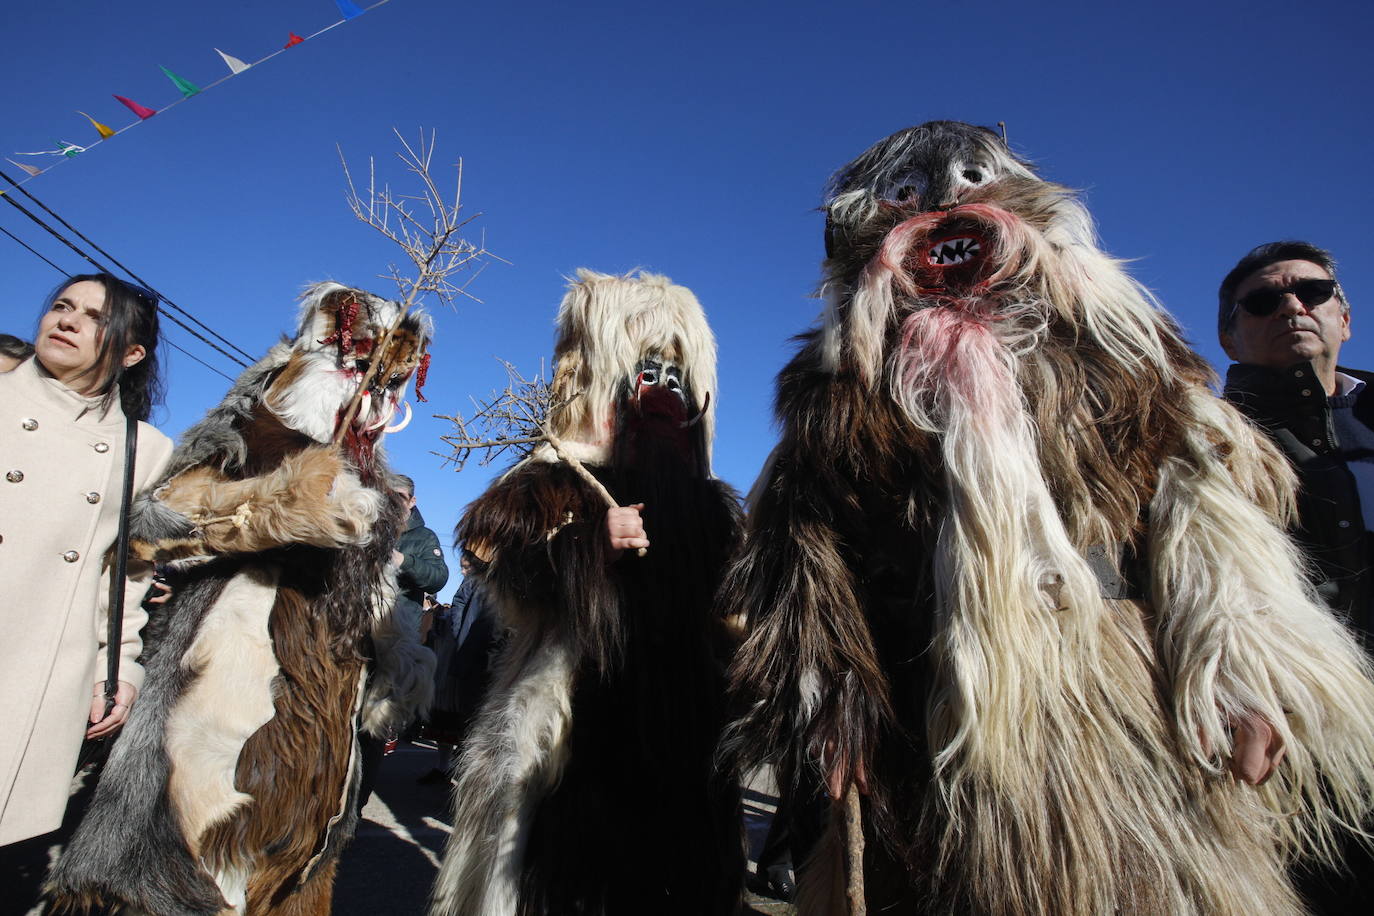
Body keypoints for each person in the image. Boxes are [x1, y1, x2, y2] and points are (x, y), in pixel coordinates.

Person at [721, 122, 1374, 914]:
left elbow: (1203, 518)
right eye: (908, 198)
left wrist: (1238, 666)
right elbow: (803, 560)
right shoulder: (835, 393)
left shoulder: (1123, 363)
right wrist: (825, 699)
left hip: (1123, 711)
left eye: (973, 180)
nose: (949, 202)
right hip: (920, 714)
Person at [433, 270, 745, 916]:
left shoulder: (712, 507)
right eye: (645, 374)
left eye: (673, 379)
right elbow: (489, 555)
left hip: (685, 739)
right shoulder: (558, 479)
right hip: (572, 737)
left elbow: (739, 608)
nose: (661, 394)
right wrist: (587, 544)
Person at [0, 275, 173, 880]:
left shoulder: (143, 450)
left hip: (34, 665)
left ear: (131, 353)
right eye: (62, 306)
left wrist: (122, 667)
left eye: (94, 317)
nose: (66, 320)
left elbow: (122, 577)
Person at [1219, 240, 1374, 913]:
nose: (1290, 306)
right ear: (1230, 334)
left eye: (1311, 293)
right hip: (1298, 749)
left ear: (1344, 315)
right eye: (1262, 300)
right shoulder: (1197, 443)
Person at [418, 552, 498, 785]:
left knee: (473, 720)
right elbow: (459, 610)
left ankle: (465, 775)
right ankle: (451, 770)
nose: (463, 572)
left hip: (479, 659)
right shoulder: (474, 582)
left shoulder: (493, 579)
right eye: (462, 568)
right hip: (465, 658)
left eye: (466, 567)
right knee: (461, 717)